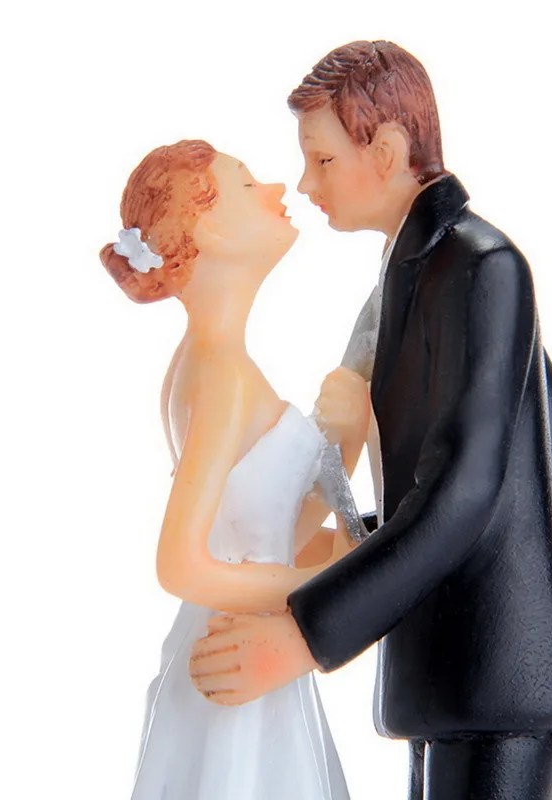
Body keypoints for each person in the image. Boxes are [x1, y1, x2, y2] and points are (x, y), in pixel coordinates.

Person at [190, 42, 552, 800]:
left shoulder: (482, 266)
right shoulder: (413, 276)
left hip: (499, 676)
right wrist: (370, 546)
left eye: (322, 159)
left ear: (386, 150)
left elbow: (469, 492)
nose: (305, 183)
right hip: (443, 671)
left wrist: (308, 634)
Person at [100, 139, 369, 800]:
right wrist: (321, 587)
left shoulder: (212, 361)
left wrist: (347, 438)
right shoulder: (220, 373)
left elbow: (258, 525)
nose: (278, 190)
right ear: (211, 232)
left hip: (240, 648)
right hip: (237, 654)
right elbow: (182, 566)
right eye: (249, 186)